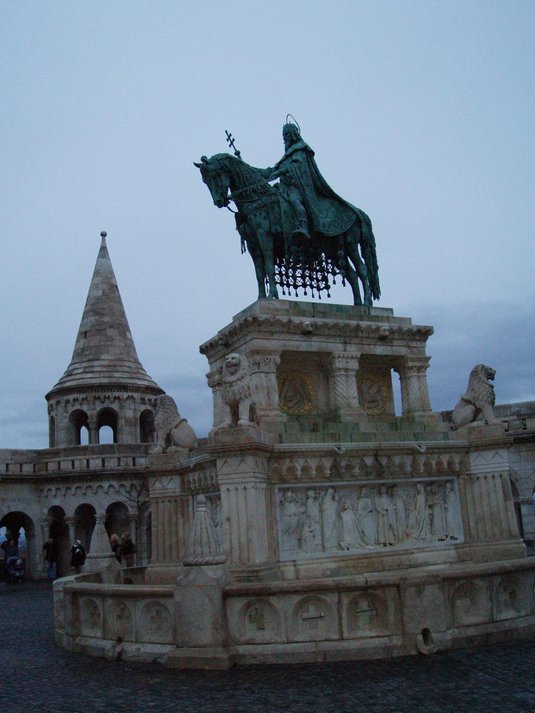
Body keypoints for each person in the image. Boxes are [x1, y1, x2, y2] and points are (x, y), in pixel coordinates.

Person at [260, 121, 357, 240]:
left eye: (285, 134)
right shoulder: (286, 157)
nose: (284, 138)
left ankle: (304, 228)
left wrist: (279, 172)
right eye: (283, 135)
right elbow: (269, 171)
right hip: (283, 188)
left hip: (298, 188)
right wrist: (248, 170)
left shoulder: (300, 150)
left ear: (292, 134)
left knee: (295, 201)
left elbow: (295, 167)